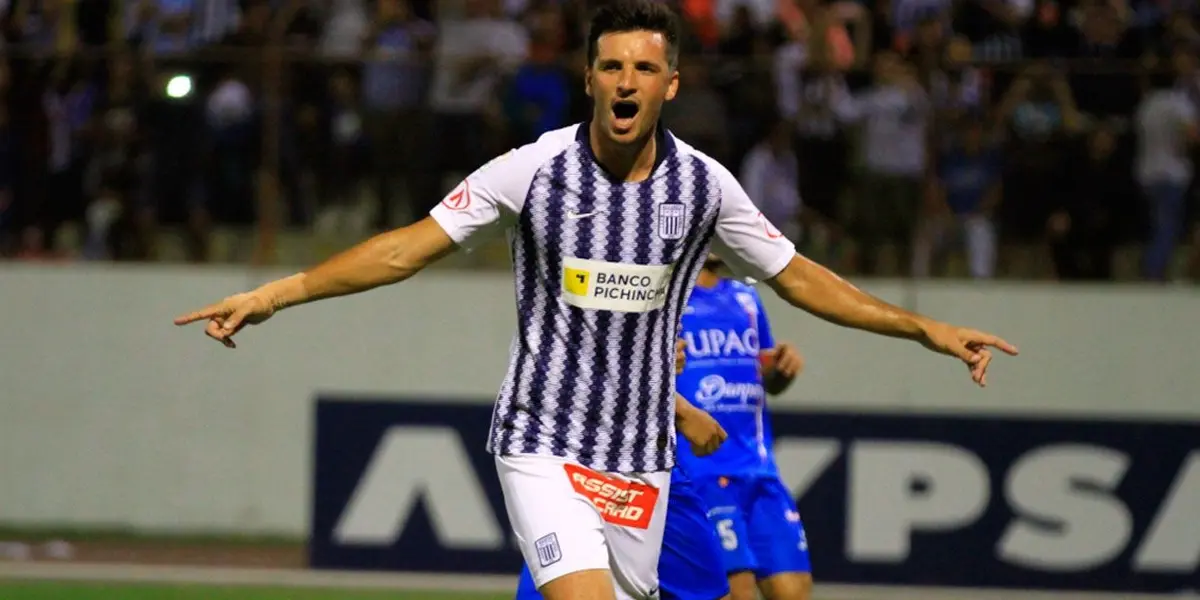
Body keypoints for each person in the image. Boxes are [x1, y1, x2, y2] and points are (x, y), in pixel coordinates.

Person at [173, 1, 1017, 598]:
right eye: (611, 65)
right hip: (543, 443)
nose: (626, 81)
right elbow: (403, 248)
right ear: (588, 78)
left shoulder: (705, 188)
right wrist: (277, 292)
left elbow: (800, 278)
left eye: (644, 68)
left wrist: (925, 329)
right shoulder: (531, 172)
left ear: (670, 85)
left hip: (643, 463)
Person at [513, 339, 734, 600]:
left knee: (708, 591)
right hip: (573, 456)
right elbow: (583, 357)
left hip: (649, 464)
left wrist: (654, 356)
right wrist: (679, 406)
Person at [677, 254, 810, 600]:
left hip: (759, 470)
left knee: (794, 590)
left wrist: (780, 368)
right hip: (701, 471)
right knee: (737, 591)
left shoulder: (746, 298)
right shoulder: (668, 297)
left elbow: (765, 377)